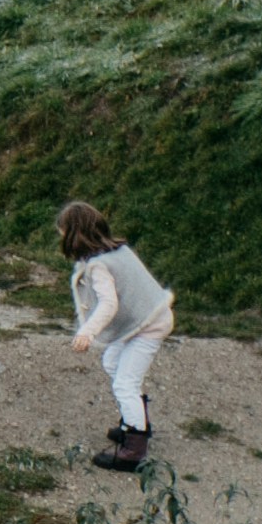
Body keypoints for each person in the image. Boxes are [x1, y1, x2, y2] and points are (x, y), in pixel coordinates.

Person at [60, 200, 175, 474]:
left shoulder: (99, 266)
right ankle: (135, 420)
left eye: (62, 231)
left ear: (74, 235)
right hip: (144, 320)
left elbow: (108, 304)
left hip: (148, 326)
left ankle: (134, 448)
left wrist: (87, 332)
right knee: (112, 361)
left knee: (125, 383)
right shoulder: (118, 250)